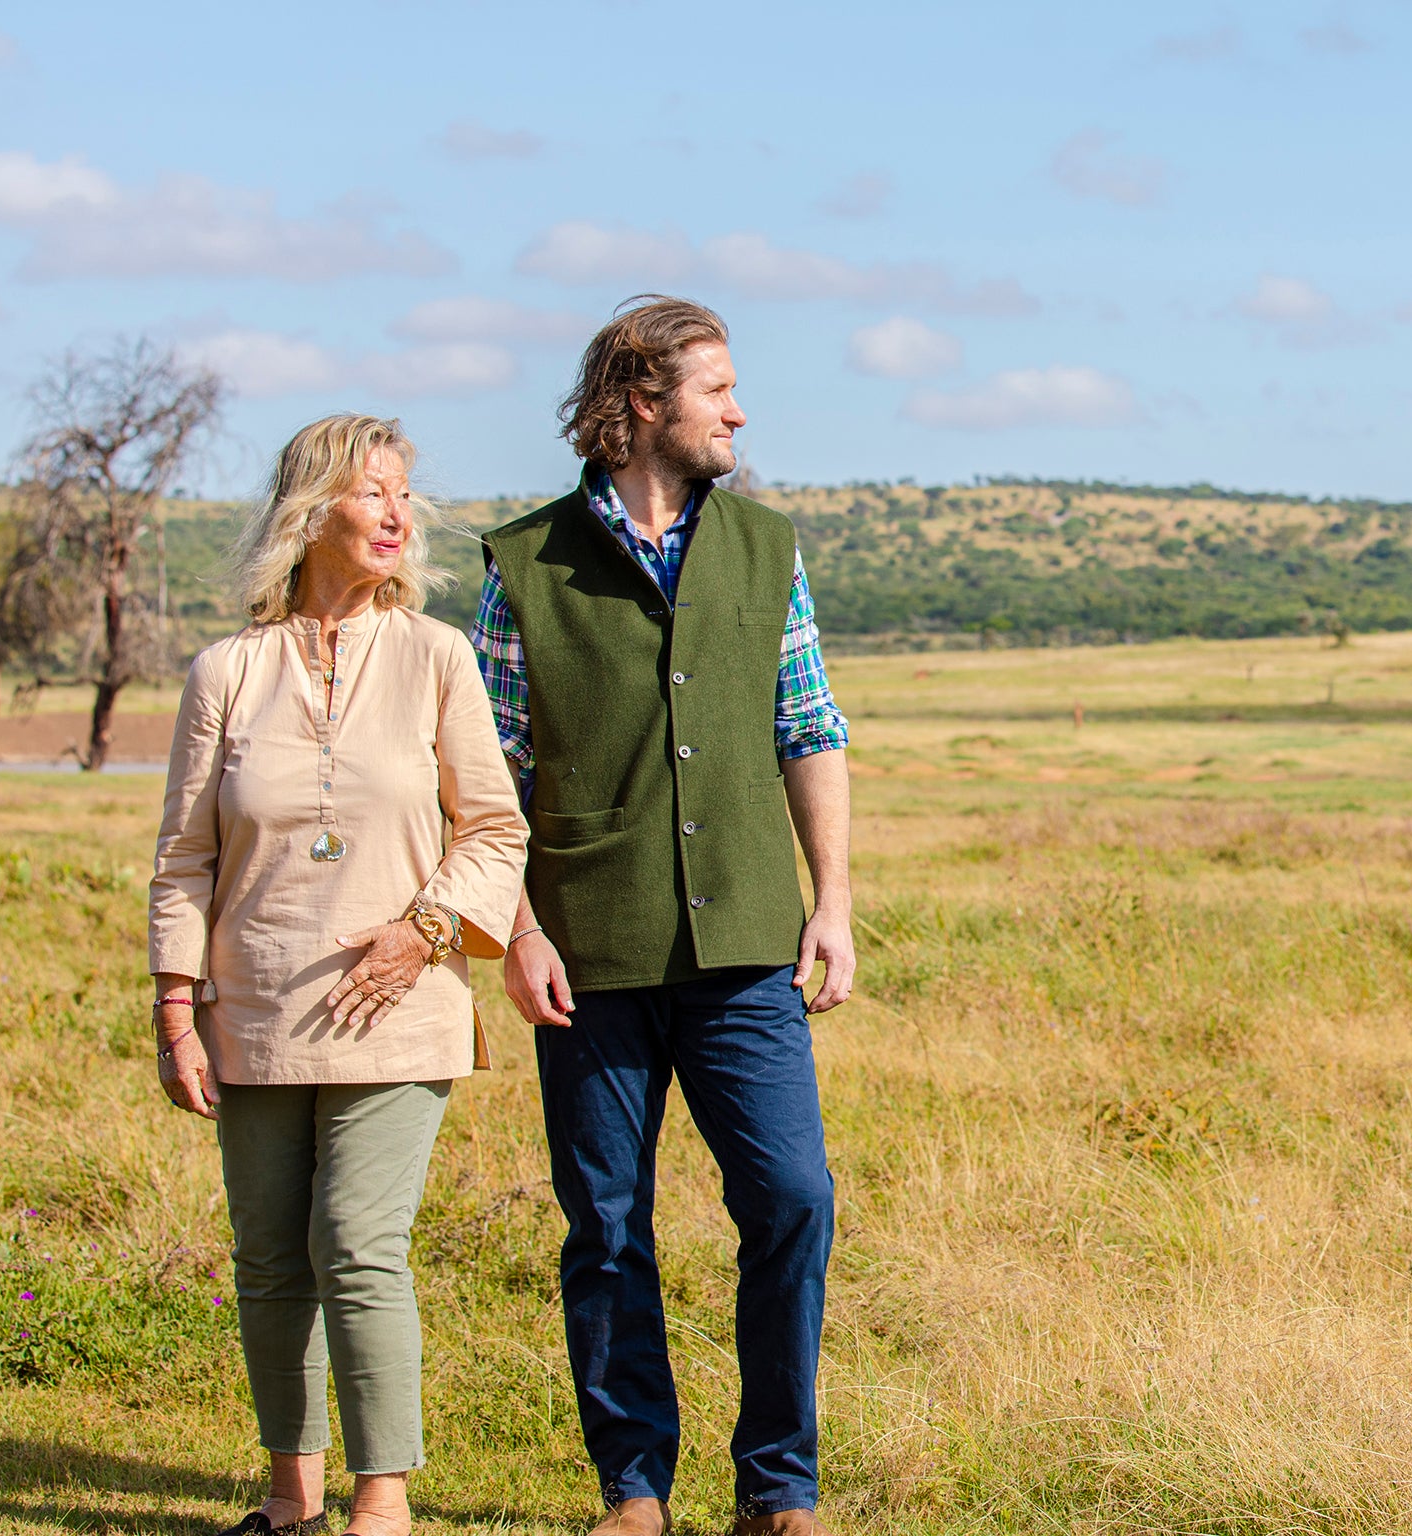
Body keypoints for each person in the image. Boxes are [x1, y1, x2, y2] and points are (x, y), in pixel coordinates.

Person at [472, 297, 856, 1536]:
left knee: (792, 1198)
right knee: (607, 1224)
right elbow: (488, 774)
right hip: (585, 948)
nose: (740, 411)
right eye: (719, 390)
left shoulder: (766, 544)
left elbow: (809, 728)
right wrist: (517, 933)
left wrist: (832, 899)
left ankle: (775, 1488)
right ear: (643, 401)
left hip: (746, 941)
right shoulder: (521, 563)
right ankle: (632, 1489)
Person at [151, 414, 528, 1536]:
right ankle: (287, 1498)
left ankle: (384, 1501)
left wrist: (425, 929)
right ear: (313, 511)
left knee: (359, 1247)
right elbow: (183, 857)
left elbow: (495, 830)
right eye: (374, 492)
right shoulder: (227, 670)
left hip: (398, 1006)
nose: (398, 514)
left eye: (404, 493)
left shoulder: (434, 655)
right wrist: (176, 1008)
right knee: (269, 1260)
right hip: (252, 1005)